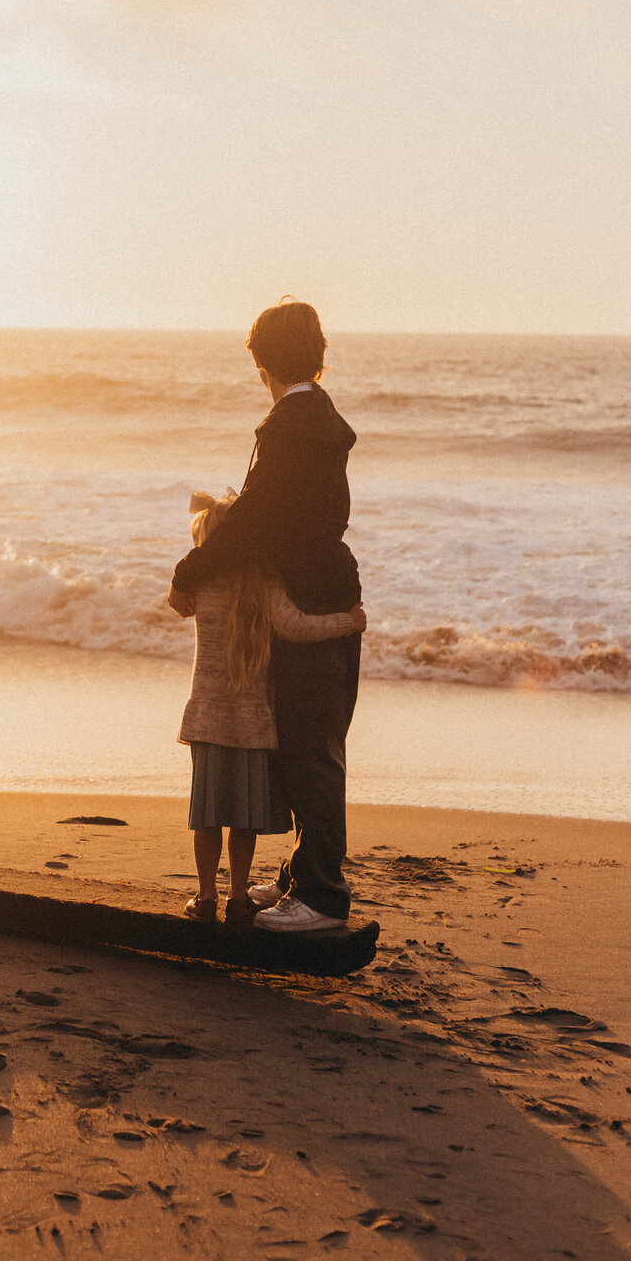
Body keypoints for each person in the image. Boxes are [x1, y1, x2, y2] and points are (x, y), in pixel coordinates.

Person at [169, 299, 362, 934]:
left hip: (308, 593)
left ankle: (322, 897)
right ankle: (302, 879)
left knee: (311, 751)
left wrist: (189, 571)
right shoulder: (320, 419)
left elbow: (253, 519)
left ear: (261, 360)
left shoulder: (287, 427)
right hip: (330, 584)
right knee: (311, 743)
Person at [177, 490, 365, 926]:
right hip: (253, 720)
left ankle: (206, 897)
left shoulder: (200, 584)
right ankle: (238, 898)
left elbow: (179, 601)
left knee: (206, 815)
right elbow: (295, 627)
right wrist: (346, 623)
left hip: (206, 716)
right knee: (242, 817)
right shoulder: (264, 583)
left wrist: (183, 575)